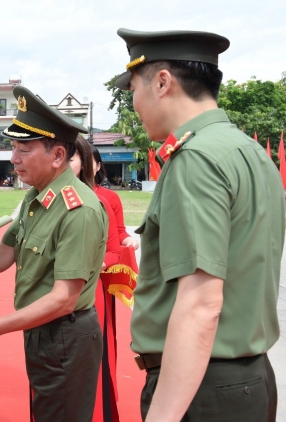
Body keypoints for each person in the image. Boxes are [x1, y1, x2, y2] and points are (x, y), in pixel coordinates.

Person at [114, 28, 283, 422]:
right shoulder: (250, 151)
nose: (135, 103)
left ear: (162, 82)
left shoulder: (196, 158)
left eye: (134, 89)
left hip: (203, 388)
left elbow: (200, 304)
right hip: (247, 378)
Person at [0, 86, 107, 421]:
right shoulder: (34, 200)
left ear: (57, 156)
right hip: (41, 330)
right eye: (13, 148)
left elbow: (64, 299)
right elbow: (0, 256)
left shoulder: (78, 209)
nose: (13, 158)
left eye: (24, 149)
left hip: (65, 333)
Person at [70, 137, 123, 421]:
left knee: (90, 367)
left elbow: (115, 252)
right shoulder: (40, 200)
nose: (66, 164)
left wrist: (91, 266)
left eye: (73, 158)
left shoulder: (101, 201)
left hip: (89, 296)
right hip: (48, 300)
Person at [91, 146, 138, 250]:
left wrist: (130, 241)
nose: (83, 166)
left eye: (88, 162)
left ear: (98, 166)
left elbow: (119, 231)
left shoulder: (111, 197)